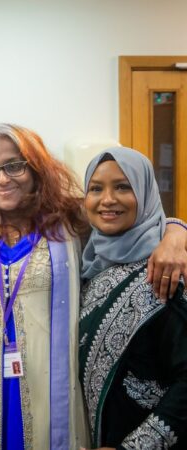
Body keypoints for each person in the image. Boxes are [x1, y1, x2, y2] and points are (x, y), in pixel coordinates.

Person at [0, 124, 187, 449]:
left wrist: (177, 233)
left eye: (14, 165)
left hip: (53, 388)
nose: (2, 178)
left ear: (36, 169)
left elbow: (136, 216)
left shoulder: (71, 222)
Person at [79, 147, 187, 449]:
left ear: (145, 193)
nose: (108, 199)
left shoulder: (167, 270)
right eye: (96, 188)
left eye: (123, 187)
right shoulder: (88, 265)